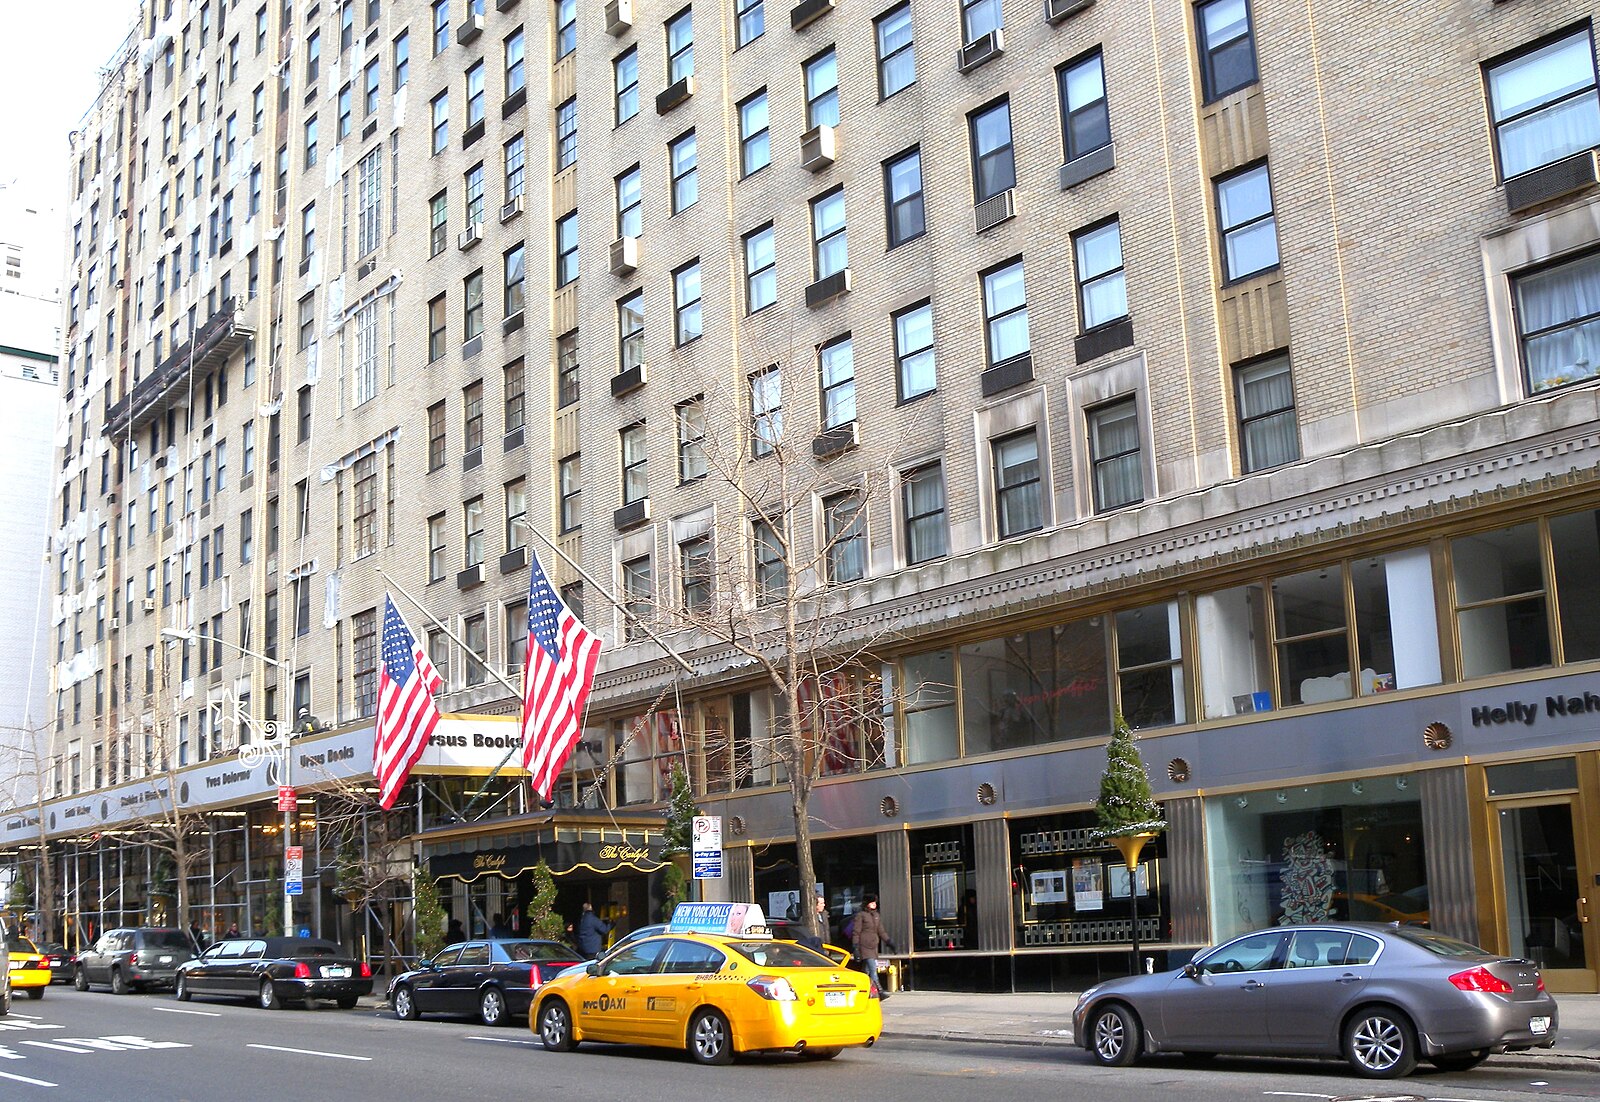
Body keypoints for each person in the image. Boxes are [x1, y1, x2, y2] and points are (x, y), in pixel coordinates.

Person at [851, 894, 895, 999]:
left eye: (875, 902)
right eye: (872, 902)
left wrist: (889, 941)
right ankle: (879, 991)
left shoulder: (876, 915)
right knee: (872, 969)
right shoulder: (861, 915)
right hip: (864, 945)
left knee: (865, 971)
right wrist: (855, 947)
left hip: (873, 945)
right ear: (866, 904)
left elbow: (881, 931)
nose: (874, 904)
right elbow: (856, 932)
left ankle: (860, 989)